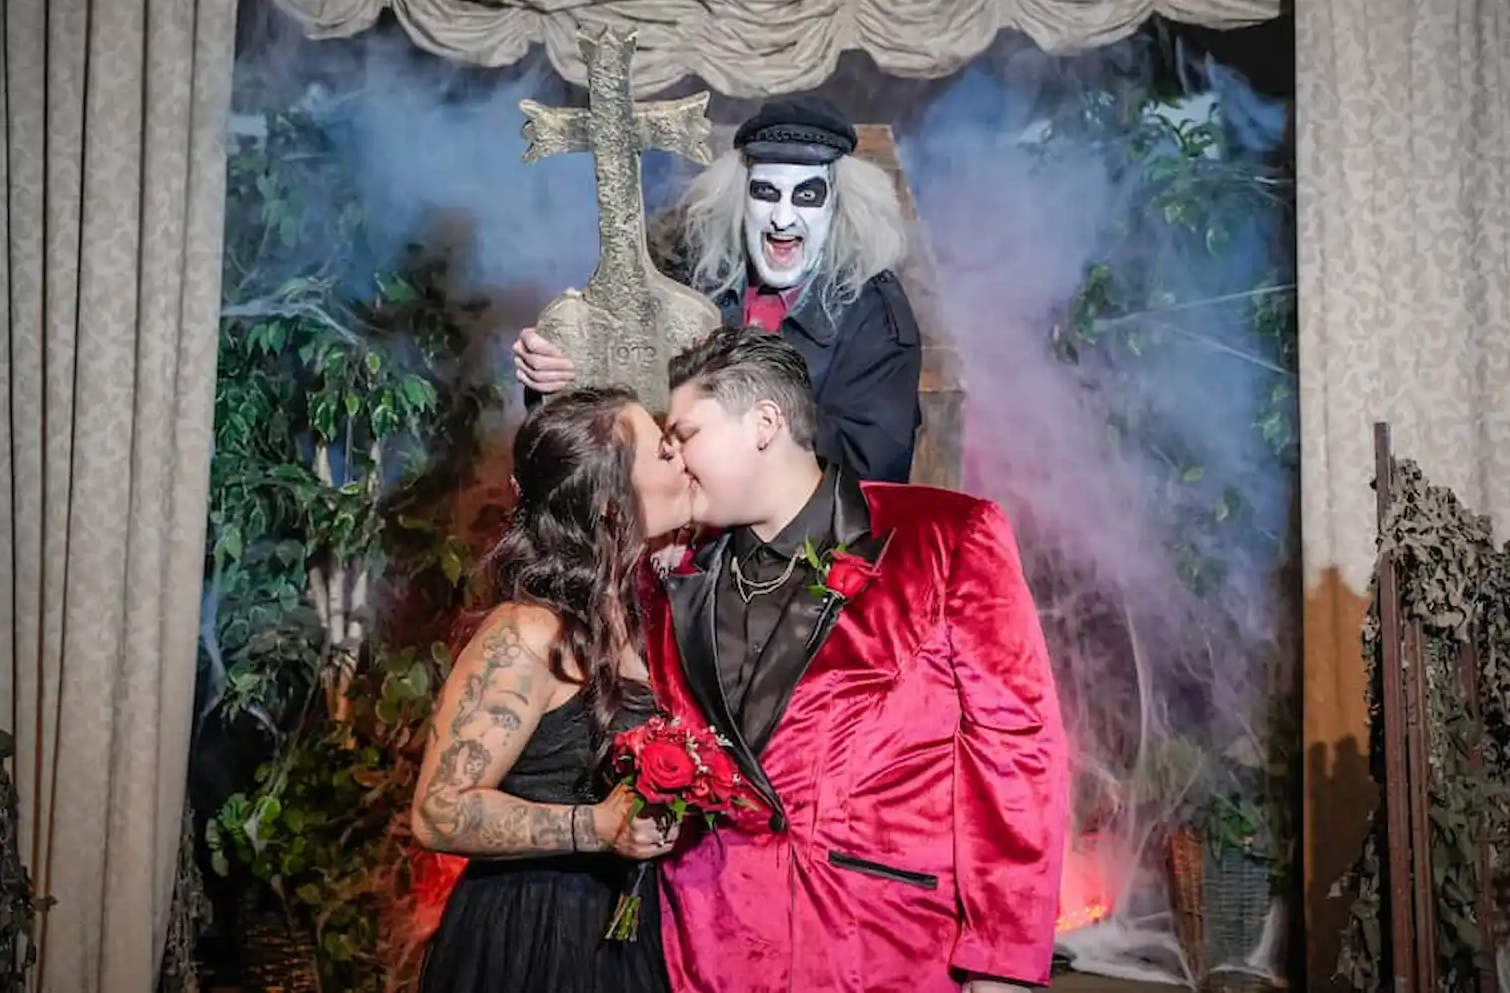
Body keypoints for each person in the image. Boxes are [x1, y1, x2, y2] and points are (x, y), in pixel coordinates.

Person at [649, 327, 1069, 993]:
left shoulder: (946, 537)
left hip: (882, 951)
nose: (670, 458)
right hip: (702, 954)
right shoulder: (671, 579)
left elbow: (1017, 752)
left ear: (763, 423)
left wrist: (1002, 963)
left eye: (684, 434)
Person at [410, 387, 692, 993]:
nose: (684, 461)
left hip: (620, 931)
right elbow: (438, 812)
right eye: (664, 454)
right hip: (529, 935)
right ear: (612, 507)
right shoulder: (527, 633)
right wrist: (596, 827)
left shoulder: (638, 616)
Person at [515, 96, 924, 483]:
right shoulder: (684, 274)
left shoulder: (875, 314)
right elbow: (615, 406)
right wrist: (556, 376)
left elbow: (873, 472)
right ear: (738, 199)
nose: (783, 218)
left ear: (838, 208)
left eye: (807, 196)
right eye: (765, 193)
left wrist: (750, 414)